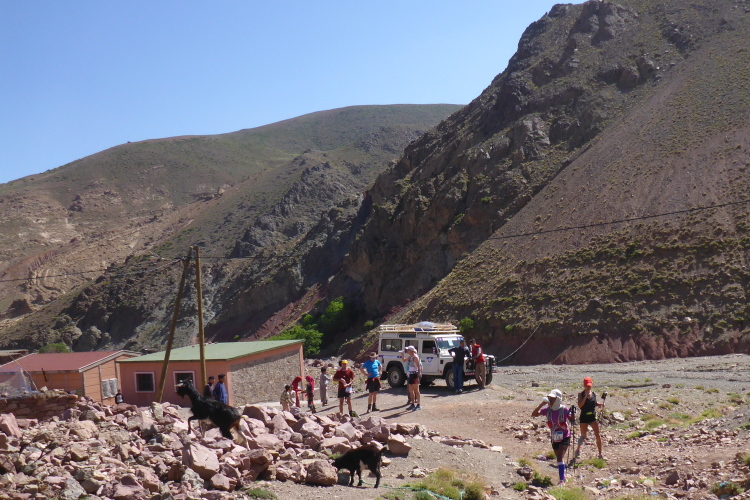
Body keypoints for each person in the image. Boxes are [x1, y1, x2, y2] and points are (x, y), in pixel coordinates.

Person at [532, 389, 575, 485]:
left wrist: (572, 415)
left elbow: (571, 419)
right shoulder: (547, 410)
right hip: (554, 437)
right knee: (558, 457)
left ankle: (561, 481)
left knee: (559, 457)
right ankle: (563, 474)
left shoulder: (564, 409)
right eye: (549, 398)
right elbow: (534, 414)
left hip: (565, 436)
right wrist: (541, 404)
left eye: (552, 398)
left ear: (557, 399)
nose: (550, 400)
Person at [575, 377, 606, 460]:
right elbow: (580, 405)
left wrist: (600, 404)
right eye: (587, 386)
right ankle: (578, 450)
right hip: (584, 417)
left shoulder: (594, 393)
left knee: (598, 435)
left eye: (589, 386)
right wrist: (585, 397)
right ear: (584, 385)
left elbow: (594, 403)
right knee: (583, 436)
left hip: (592, 416)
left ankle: (600, 454)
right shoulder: (581, 394)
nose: (588, 387)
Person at [402, 346, 422, 410]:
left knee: (416, 390)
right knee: (410, 390)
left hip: (415, 374)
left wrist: (418, 376)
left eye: (408, 350)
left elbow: (419, 367)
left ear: (411, 351)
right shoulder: (410, 356)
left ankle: (418, 404)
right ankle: (412, 404)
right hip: (410, 374)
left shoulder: (415, 357)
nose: (407, 351)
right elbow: (404, 360)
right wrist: (402, 355)